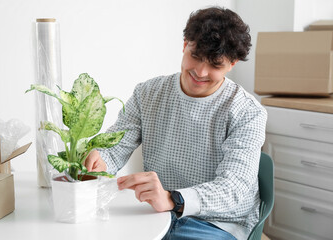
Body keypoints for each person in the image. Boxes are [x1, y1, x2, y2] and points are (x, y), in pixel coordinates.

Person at [85, 6, 267, 240]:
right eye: (196, 56)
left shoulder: (247, 112)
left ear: (232, 64)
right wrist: (99, 159)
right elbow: (116, 147)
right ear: (184, 45)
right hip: (155, 214)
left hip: (216, 224)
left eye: (215, 65)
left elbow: (234, 189)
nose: (200, 72)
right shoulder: (147, 93)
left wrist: (174, 199)